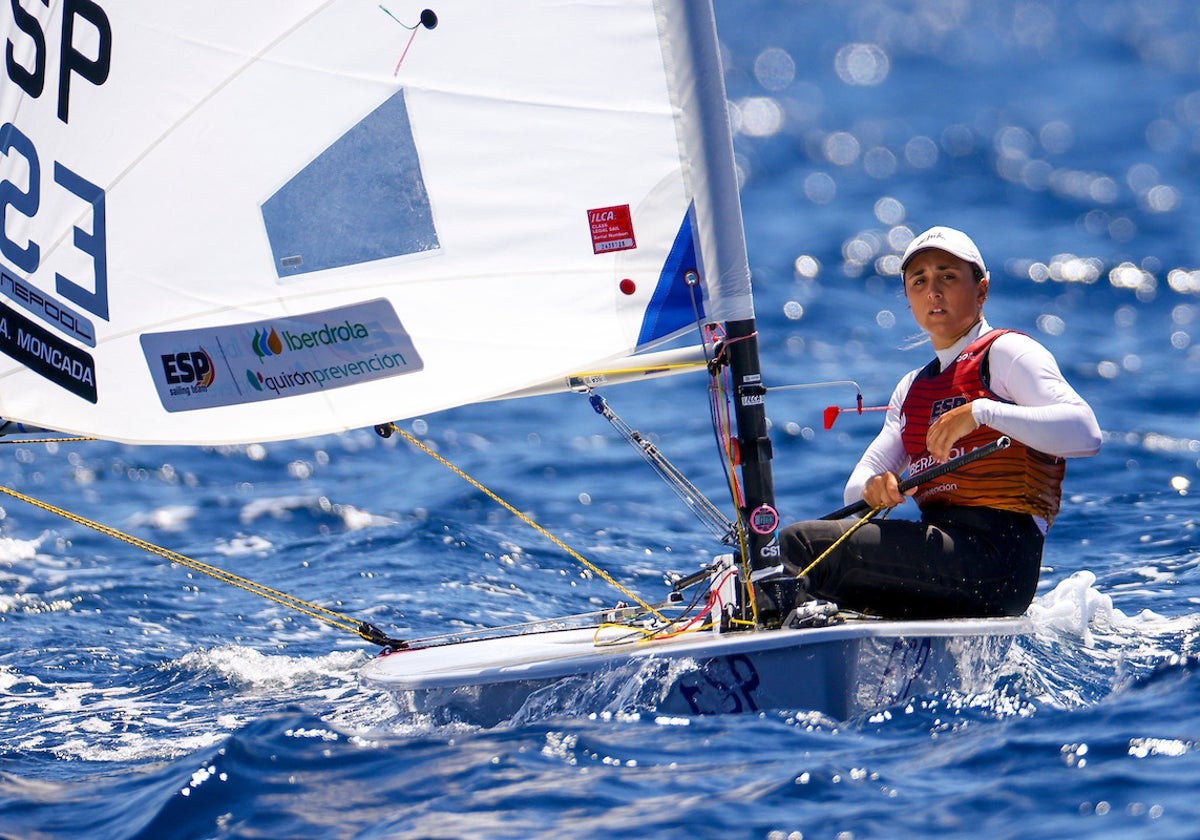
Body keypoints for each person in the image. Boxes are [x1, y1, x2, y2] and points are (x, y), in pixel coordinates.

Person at [759, 226, 1101, 623]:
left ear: (982, 290)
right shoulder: (912, 388)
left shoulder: (1007, 353)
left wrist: (982, 412)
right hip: (942, 558)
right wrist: (873, 487)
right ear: (908, 298)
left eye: (948, 277)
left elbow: (1085, 432)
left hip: (996, 564)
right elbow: (858, 483)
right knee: (764, 558)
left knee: (800, 546)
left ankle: (769, 644)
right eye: (919, 281)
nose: (933, 291)